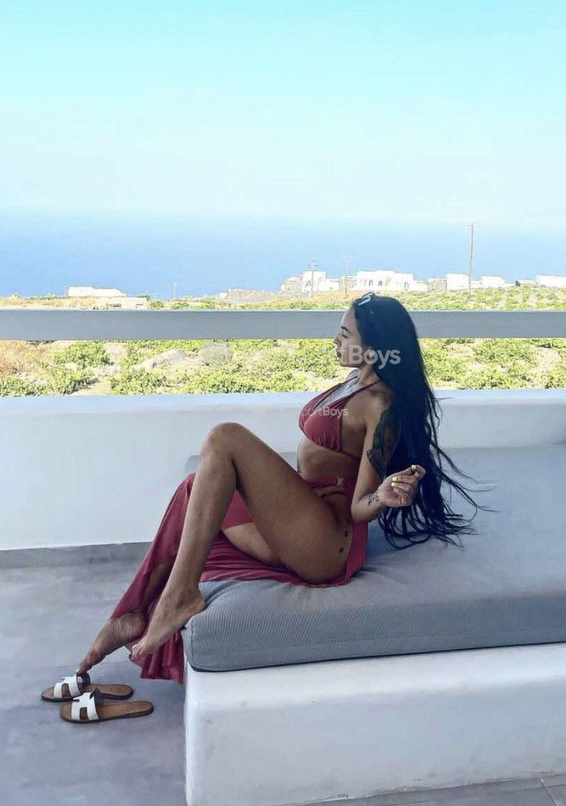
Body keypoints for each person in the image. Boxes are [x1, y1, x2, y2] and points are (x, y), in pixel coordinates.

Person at [75, 292, 487, 684]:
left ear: (374, 348)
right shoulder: (352, 381)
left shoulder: (380, 405)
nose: (336, 340)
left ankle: (180, 596)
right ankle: (132, 613)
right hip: (300, 520)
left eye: (346, 334)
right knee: (195, 487)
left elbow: (360, 506)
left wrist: (383, 496)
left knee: (225, 437)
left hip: (325, 542)